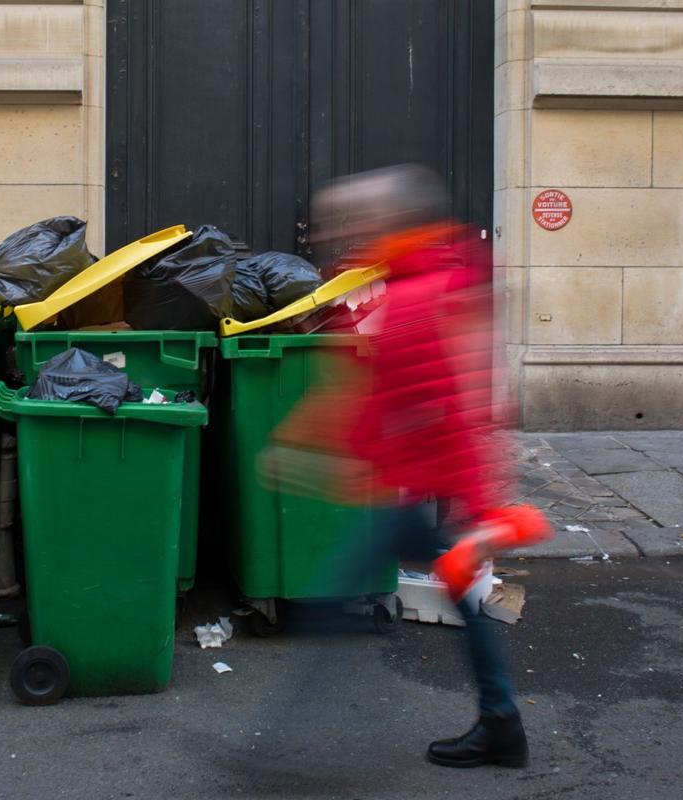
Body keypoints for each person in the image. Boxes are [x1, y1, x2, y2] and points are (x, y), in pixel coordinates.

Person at [265, 164, 553, 768]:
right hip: (418, 484)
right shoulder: (417, 284)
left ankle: (288, 749)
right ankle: (500, 723)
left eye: (352, 222)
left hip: (431, 484)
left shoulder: (422, 295)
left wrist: (478, 507)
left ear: (389, 220)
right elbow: (379, 391)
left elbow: (448, 401)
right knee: (452, 601)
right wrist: (315, 446)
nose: (340, 236)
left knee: (332, 603)